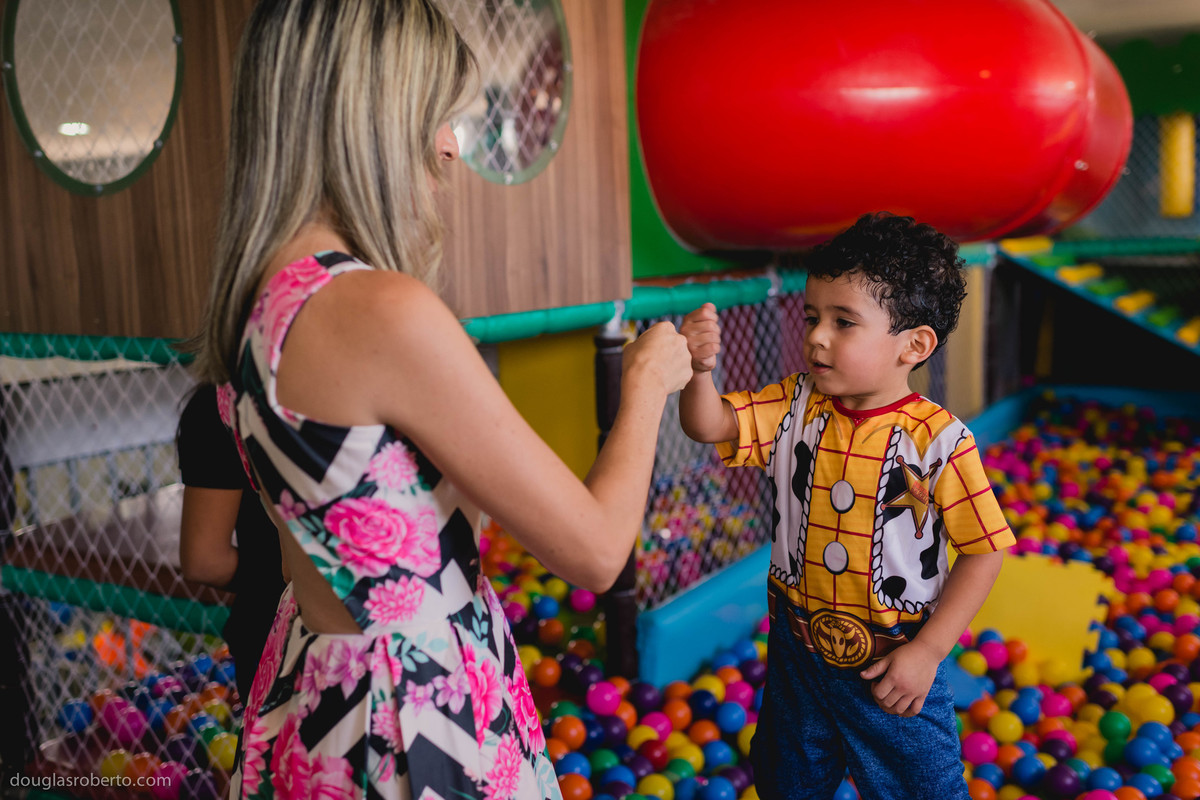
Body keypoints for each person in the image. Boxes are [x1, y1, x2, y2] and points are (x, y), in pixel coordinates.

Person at [188, 1, 692, 798]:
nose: (451, 146)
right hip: (412, 710)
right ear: (367, 118)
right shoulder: (379, 311)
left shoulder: (259, 301)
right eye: (437, 115)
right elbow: (597, 551)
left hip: (322, 687)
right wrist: (647, 383)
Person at [678, 212, 1016, 800]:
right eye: (812, 317)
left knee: (922, 788)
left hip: (893, 658)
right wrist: (698, 372)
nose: (816, 337)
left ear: (914, 345)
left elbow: (985, 551)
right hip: (798, 650)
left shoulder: (939, 442)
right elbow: (710, 424)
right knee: (787, 779)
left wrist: (928, 652)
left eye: (844, 322)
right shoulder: (795, 405)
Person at [176, 383, 287, 706]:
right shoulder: (359, 387)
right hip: (373, 624)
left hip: (271, 628)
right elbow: (204, 560)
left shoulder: (221, 399)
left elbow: (205, 560)